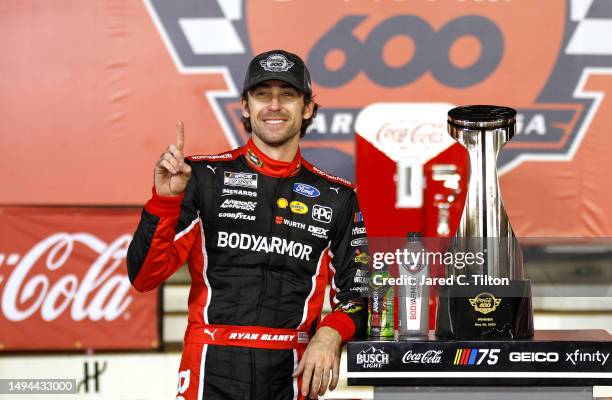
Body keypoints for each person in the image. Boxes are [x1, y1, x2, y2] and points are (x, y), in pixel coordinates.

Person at [127, 50, 369, 400]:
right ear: (245, 106)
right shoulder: (201, 177)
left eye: (287, 95)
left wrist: (330, 334)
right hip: (211, 367)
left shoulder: (337, 196)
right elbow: (144, 277)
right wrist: (164, 201)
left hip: (292, 372)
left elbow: (360, 294)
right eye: (262, 95)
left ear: (308, 108)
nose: (274, 105)